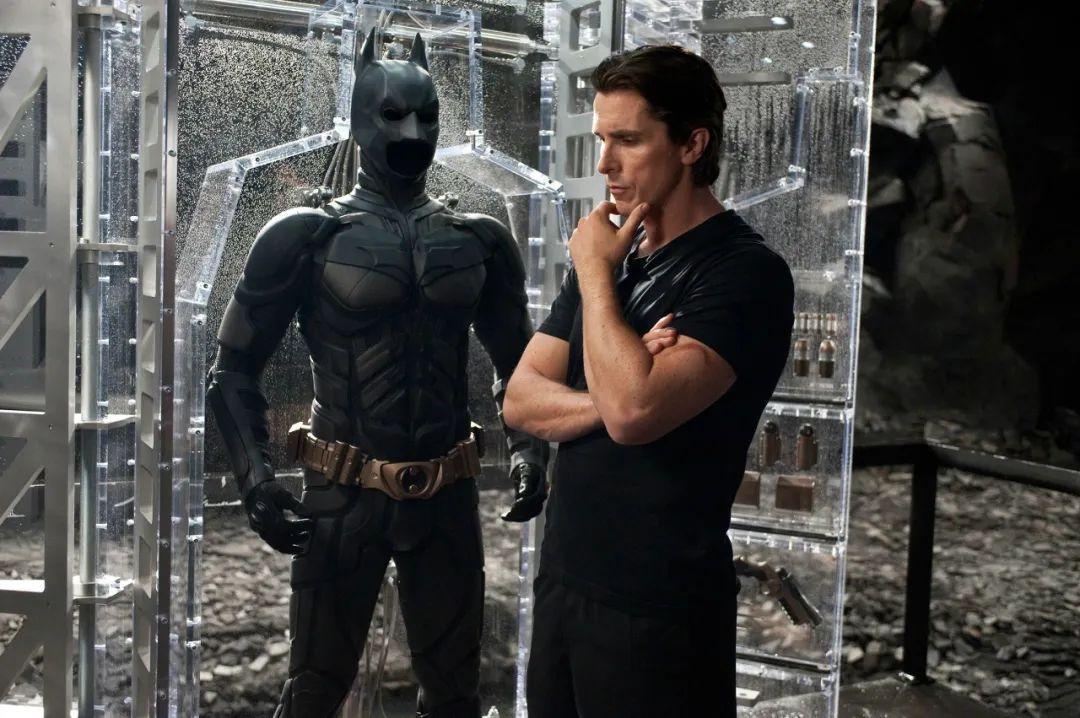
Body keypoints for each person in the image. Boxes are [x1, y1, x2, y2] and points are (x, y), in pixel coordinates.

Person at [206, 29, 548, 718]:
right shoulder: (305, 235)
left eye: (426, 116)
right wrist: (256, 480)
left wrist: (530, 449)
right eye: (393, 115)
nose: (412, 132)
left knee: (455, 696)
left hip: (446, 497)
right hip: (341, 495)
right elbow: (233, 370)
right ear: (361, 119)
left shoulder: (479, 240)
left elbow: (522, 363)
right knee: (313, 691)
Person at [503, 45, 794, 717]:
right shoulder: (613, 261)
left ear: (692, 144)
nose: (604, 164)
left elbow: (635, 416)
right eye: (602, 139)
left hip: (662, 609)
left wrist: (595, 280)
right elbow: (520, 400)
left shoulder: (743, 272)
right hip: (564, 583)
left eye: (628, 141)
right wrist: (615, 386)